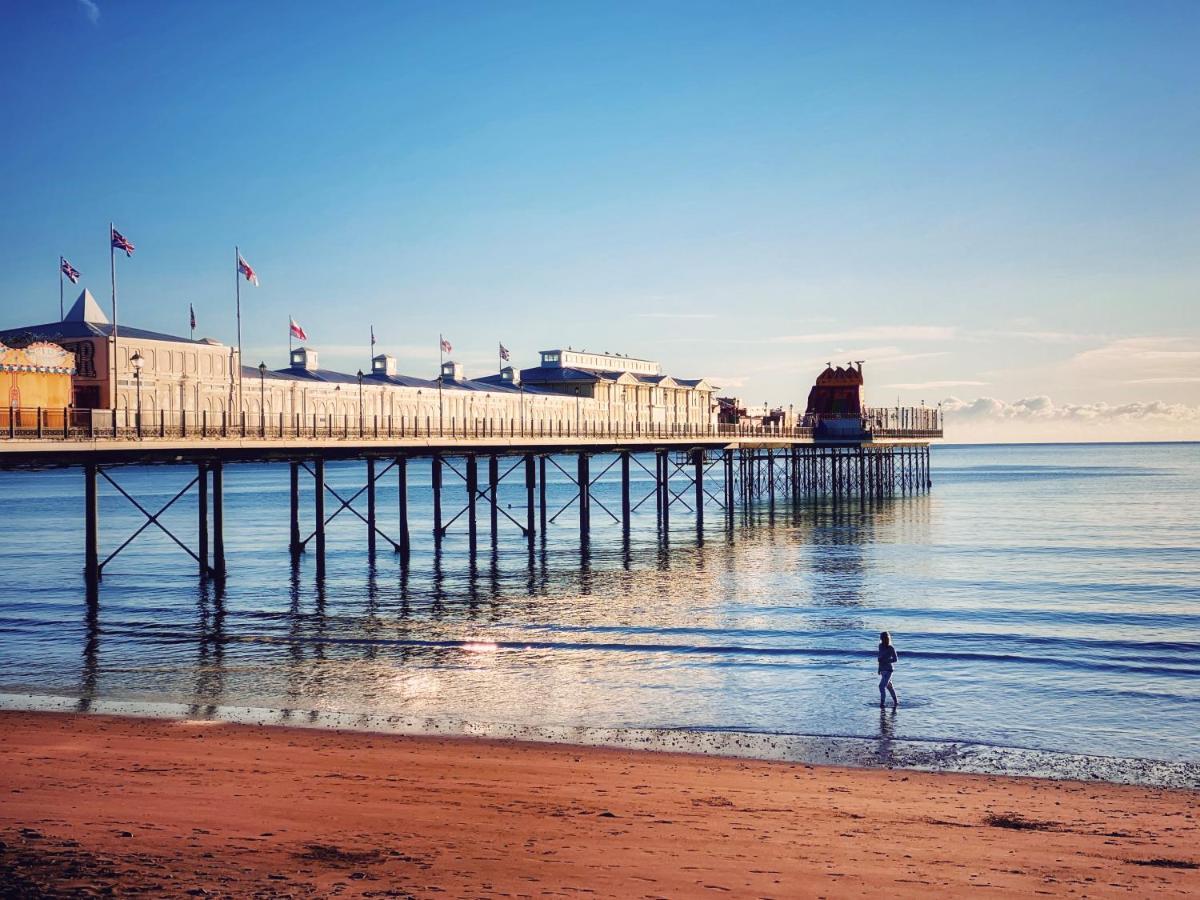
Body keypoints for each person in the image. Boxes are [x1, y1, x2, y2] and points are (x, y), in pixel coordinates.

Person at [877, 631, 899, 708]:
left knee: (881, 686)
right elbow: (879, 658)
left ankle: (882, 703)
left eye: (884, 638)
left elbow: (895, 659)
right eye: (882, 638)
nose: (883, 640)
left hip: (889, 670)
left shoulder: (890, 648)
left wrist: (886, 661)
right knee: (889, 686)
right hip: (882, 669)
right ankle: (896, 701)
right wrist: (879, 668)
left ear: (887, 638)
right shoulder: (880, 646)